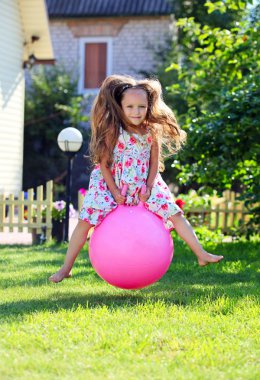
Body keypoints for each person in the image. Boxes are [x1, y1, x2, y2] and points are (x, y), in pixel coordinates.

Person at [49, 75, 223, 283]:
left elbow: (154, 162)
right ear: (120, 106)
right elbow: (104, 165)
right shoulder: (113, 129)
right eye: (130, 107)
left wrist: (149, 187)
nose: (136, 112)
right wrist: (113, 191)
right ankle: (66, 267)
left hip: (143, 183)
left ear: (149, 106)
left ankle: (201, 253)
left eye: (141, 106)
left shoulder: (151, 130)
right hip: (111, 183)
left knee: (174, 213)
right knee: (85, 222)